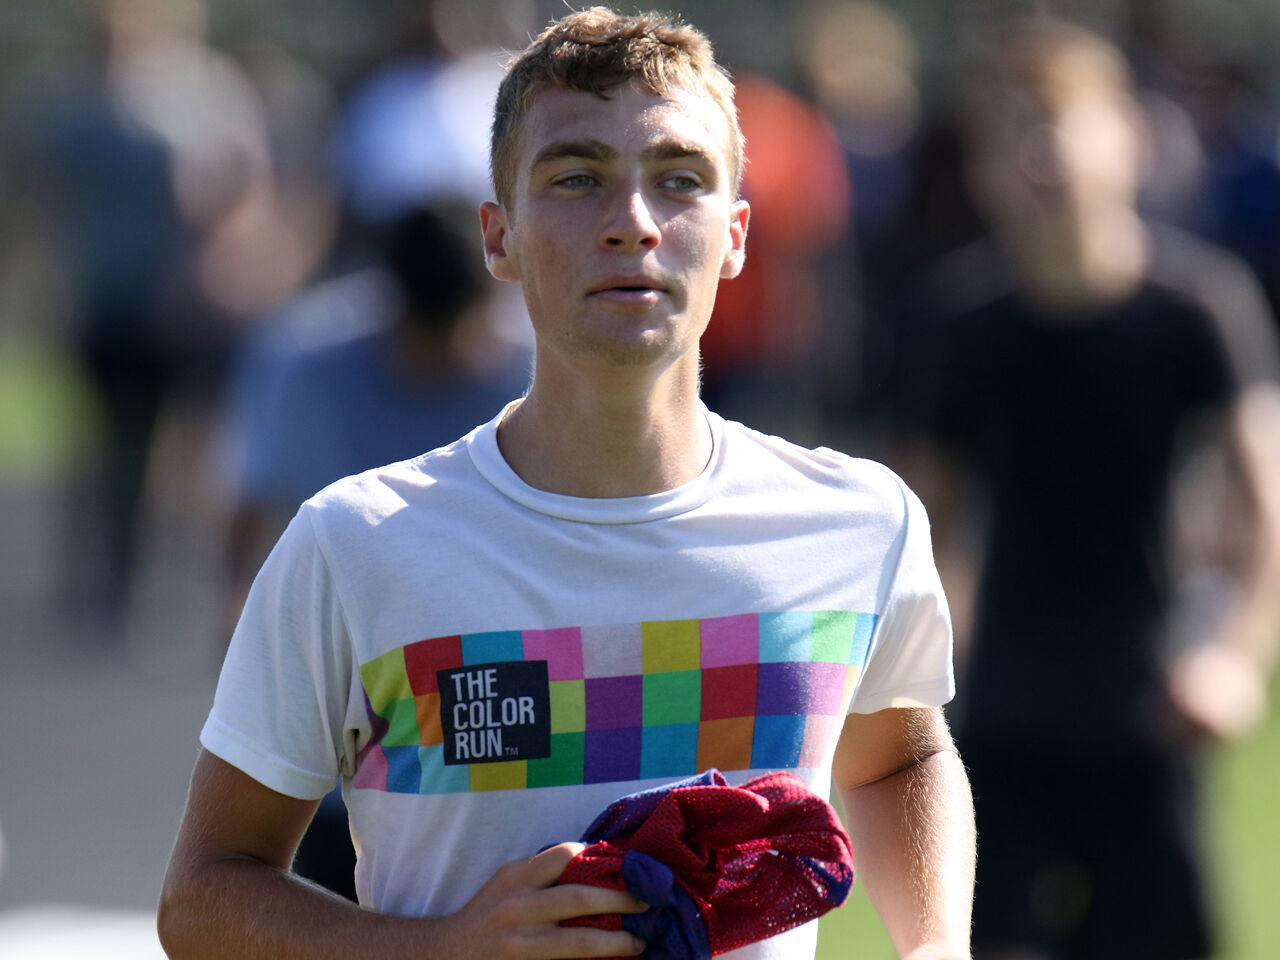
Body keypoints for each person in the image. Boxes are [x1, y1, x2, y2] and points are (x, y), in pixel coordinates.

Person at [158, 8, 975, 960]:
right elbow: (205, 898)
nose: (632, 223)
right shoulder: (355, 548)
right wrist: (442, 949)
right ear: (498, 239)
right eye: (578, 178)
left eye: (679, 181)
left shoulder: (855, 525)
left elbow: (901, 755)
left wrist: (935, 947)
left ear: (737, 234)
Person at [893, 18, 1280, 960]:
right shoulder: (962, 327)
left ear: (1128, 138)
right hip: (1004, 716)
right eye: (1009, 131)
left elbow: (1262, 497)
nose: (1036, 153)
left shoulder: (1198, 310)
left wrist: (1233, 655)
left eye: (1058, 121)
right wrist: (913, 684)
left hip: (1152, 708)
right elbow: (913, 529)